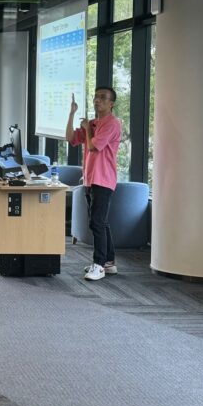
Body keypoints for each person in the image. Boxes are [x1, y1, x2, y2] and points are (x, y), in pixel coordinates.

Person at [67, 88, 122, 281]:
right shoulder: (93, 123)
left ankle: (99, 265)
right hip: (90, 178)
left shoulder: (112, 124)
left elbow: (93, 146)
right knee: (101, 222)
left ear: (111, 103)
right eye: (96, 97)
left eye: (103, 98)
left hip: (104, 179)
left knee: (97, 222)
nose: (98, 101)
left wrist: (88, 128)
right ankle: (109, 261)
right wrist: (72, 113)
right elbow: (71, 138)